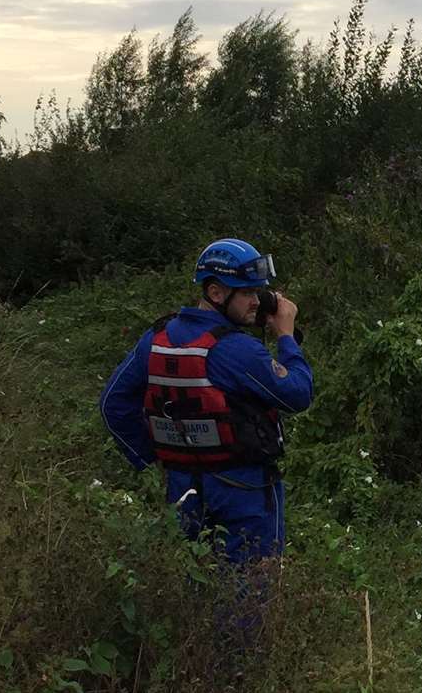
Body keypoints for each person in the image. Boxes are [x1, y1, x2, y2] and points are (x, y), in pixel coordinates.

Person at [99, 238, 314, 657]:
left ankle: (192, 666)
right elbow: (297, 393)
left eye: (259, 291)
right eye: (248, 292)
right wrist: (286, 336)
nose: (258, 301)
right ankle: (240, 681)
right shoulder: (237, 351)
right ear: (216, 292)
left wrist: (155, 458)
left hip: (182, 488)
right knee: (251, 592)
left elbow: (113, 405)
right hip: (247, 492)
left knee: (193, 582)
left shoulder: (157, 338)